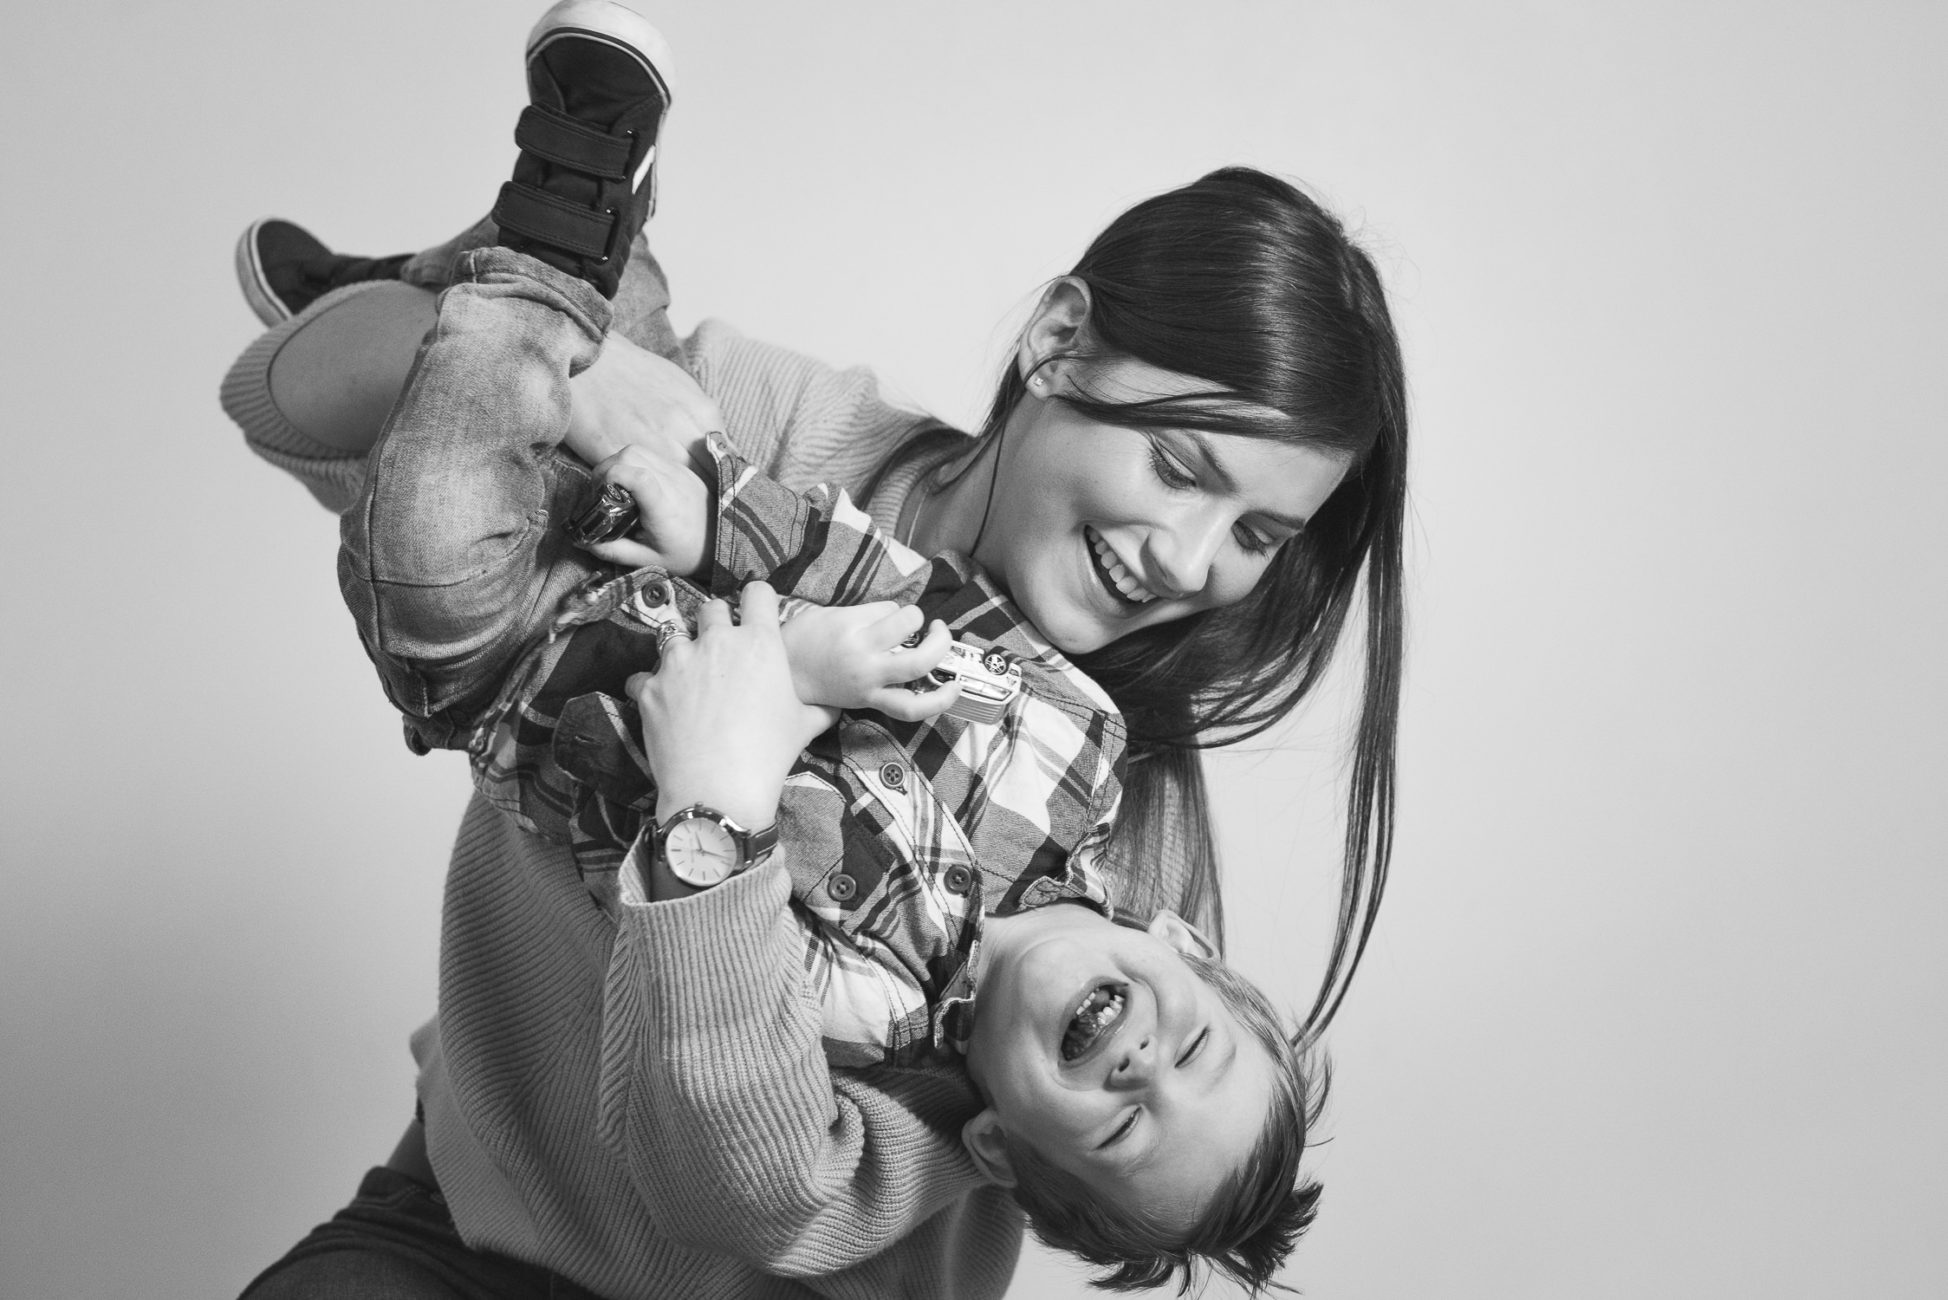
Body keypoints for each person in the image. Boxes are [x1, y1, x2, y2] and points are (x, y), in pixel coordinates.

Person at [220, 3, 1407, 1293]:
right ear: (1059, 341)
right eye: (1179, 466)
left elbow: (762, 1181)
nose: (1187, 560)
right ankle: (522, 270)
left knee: (532, 360)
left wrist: (718, 805)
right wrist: (588, 365)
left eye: (1258, 535)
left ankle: (492, 273)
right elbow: (279, 399)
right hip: (465, 1232)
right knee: (571, 350)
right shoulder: (788, 432)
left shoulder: (1120, 830)